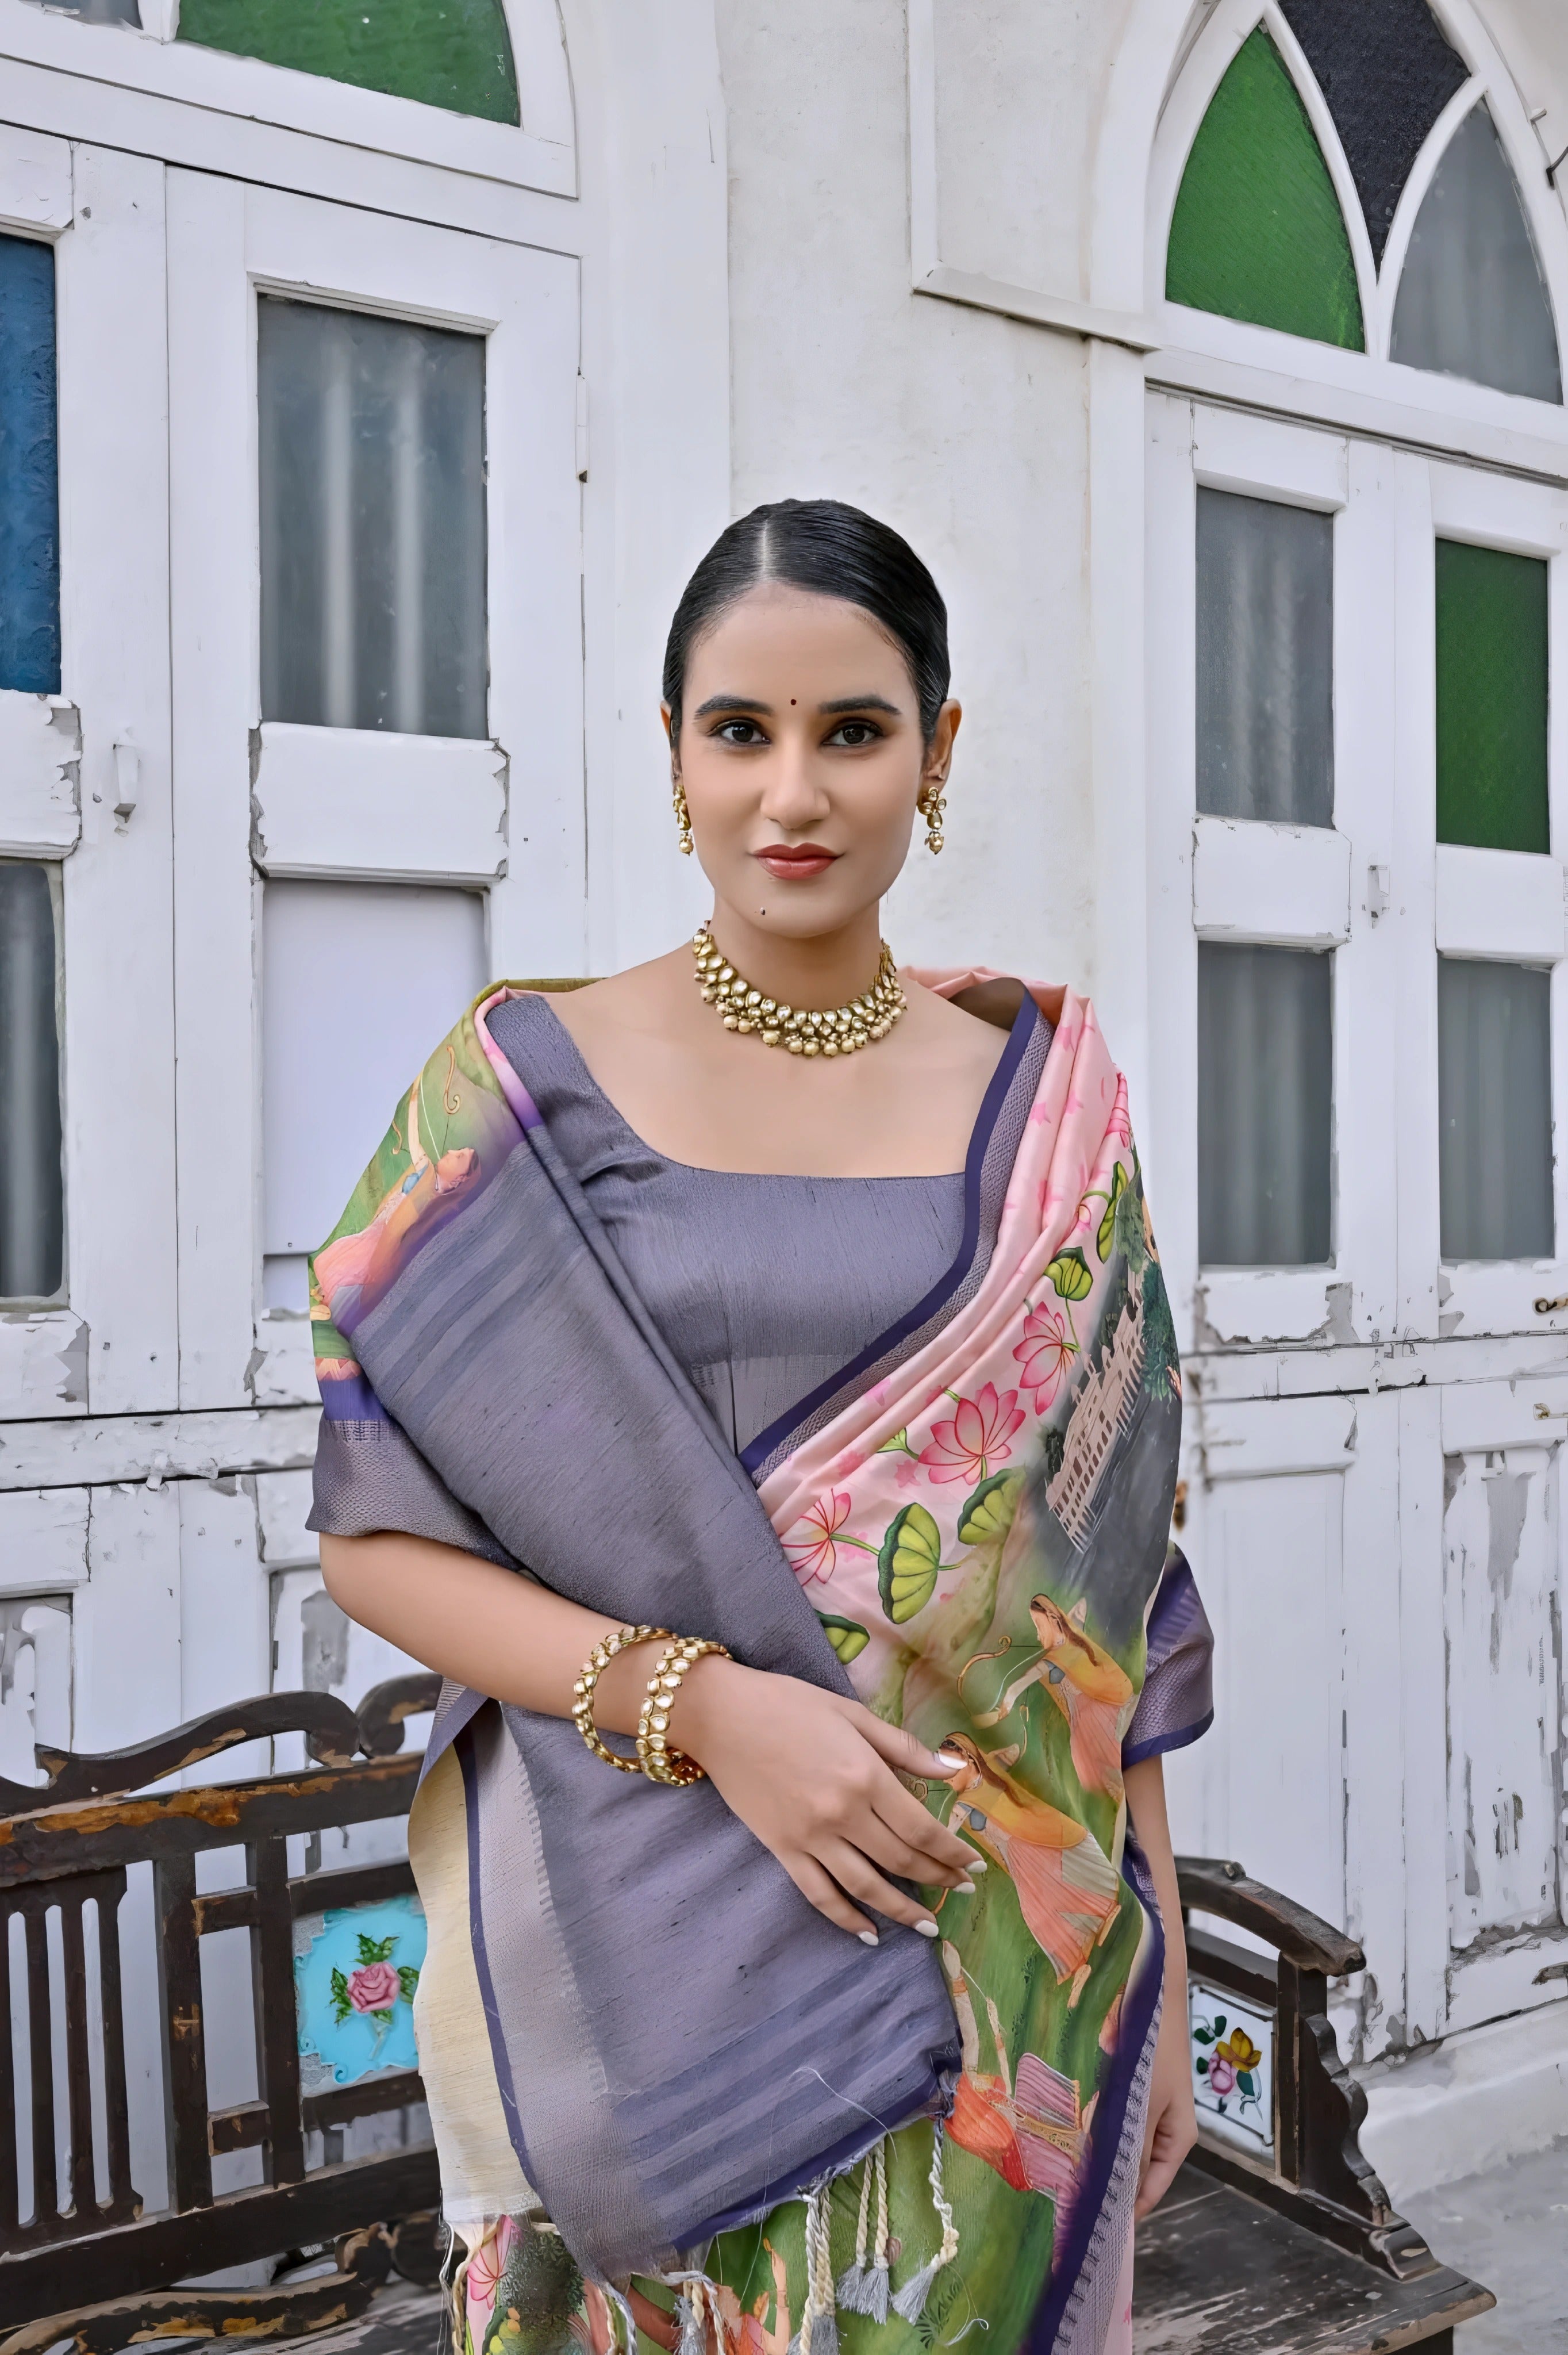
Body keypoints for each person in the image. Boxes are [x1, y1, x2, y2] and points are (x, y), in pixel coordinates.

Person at [310, 500, 1215, 2355]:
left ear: (935, 755)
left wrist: (1165, 1958)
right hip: (658, 1954)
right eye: (741, 733)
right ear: (674, 757)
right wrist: (708, 1712)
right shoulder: (522, 1102)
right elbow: (375, 1535)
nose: (792, 794)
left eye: (853, 732)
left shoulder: (1047, 1119)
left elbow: (1110, 1587)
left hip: (1013, 1982)